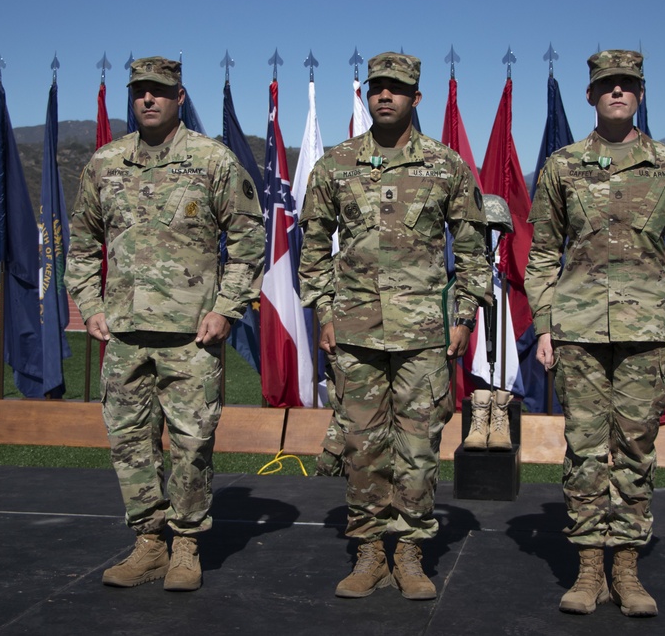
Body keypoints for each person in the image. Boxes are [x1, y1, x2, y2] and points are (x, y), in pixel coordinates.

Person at [66, 56, 265, 592]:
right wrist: (90, 306)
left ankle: (185, 544)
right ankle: (149, 541)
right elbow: (82, 245)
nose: (148, 100)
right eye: (140, 92)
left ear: (179, 97)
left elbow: (249, 243)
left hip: (190, 337)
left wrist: (227, 309)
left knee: (192, 443)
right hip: (124, 335)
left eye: (159, 91)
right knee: (130, 444)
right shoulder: (105, 164)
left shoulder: (211, 161)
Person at [525, 50, 665, 618]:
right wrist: (545, 322)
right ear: (591, 94)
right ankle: (587, 569)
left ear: (641, 92)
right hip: (578, 331)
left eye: (628, 84)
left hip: (647, 332)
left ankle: (626, 568)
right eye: (607, 85)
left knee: (634, 448)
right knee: (584, 450)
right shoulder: (562, 166)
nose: (618, 93)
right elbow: (541, 256)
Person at [299, 51, 490, 600]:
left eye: (397, 88)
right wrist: (324, 313)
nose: (385, 95)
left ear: (416, 98)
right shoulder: (335, 165)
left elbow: (473, 250)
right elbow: (312, 245)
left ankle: (409, 550)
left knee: (418, 448)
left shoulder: (445, 165)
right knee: (361, 445)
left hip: (423, 334)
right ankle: (369, 552)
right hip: (355, 331)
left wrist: (463, 316)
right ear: (367, 95)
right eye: (377, 87)